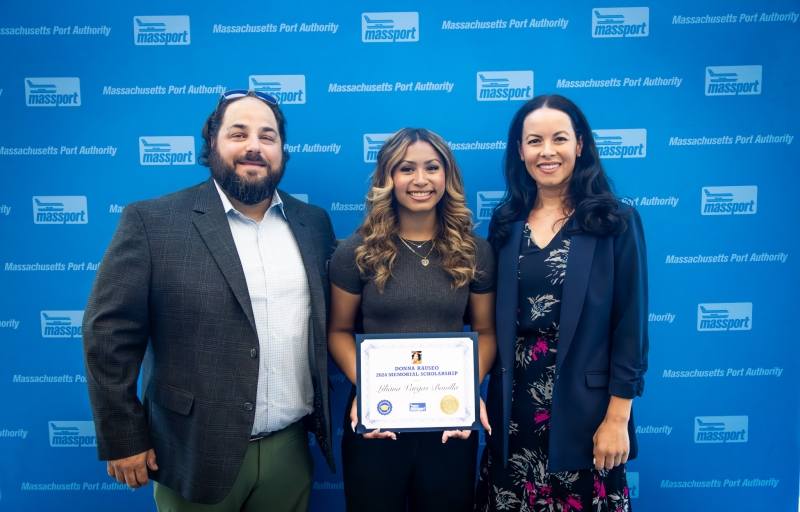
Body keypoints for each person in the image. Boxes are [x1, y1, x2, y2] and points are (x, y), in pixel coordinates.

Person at [82, 90, 337, 511]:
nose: (254, 146)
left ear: (282, 152)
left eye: (267, 136)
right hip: (192, 451)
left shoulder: (313, 224)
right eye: (239, 133)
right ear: (212, 144)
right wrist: (122, 435)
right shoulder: (152, 221)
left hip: (291, 447)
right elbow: (107, 333)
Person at [476, 95, 648, 512]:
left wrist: (617, 419)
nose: (546, 151)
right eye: (534, 141)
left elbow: (631, 326)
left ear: (580, 144)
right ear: (520, 151)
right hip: (512, 417)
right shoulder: (504, 224)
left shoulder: (615, 222)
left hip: (588, 418)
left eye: (559, 139)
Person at [327, 128, 497, 512]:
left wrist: (467, 391)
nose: (420, 180)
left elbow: (486, 331)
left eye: (432, 168)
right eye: (406, 168)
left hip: (451, 423)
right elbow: (338, 331)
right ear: (388, 178)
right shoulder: (356, 252)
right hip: (376, 422)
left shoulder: (475, 251)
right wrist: (372, 390)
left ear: (447, 176)